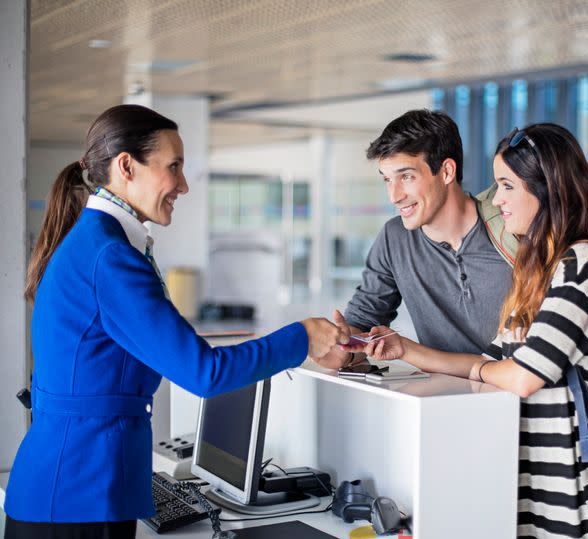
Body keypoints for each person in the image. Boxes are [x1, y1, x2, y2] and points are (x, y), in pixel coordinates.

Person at [4, 105, 348, 539]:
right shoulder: (111, 258)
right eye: (174, 167)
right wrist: (303, 336)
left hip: (73, 486)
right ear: (126, 166)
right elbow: (203, 372)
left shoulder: (96, 244)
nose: (184, 185)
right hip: (78, 493)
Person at [351, 124, 588, 538]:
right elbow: (493, 361)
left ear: (546, 189)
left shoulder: (584, 265)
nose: (497, 199)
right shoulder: (537, 271)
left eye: (507, 186)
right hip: (527, 486)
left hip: (575, 496)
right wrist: (403, 349)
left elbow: (522, 375)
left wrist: (491, 370)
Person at [317, 109, 516, 368]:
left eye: (406, 177)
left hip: (522, 397)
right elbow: (363, 321)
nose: (394, 195)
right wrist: (342, 347)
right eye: (388, 180)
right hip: (444, 401)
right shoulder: (394, 238)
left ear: (446, 172)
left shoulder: (509, 227)